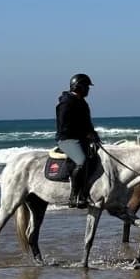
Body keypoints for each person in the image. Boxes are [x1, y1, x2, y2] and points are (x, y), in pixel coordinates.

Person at [56, 73, 100, 208]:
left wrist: (94, 136)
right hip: (68, 139)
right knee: (82, 161)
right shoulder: (66, 103)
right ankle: (74, 196)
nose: (88, 90)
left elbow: (87, 124)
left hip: (81, 138)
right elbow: (64, 125)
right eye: (86, 87)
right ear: (78, 87)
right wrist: (84, 134)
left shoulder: (82, 102)